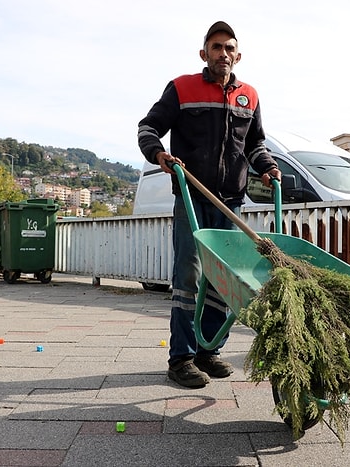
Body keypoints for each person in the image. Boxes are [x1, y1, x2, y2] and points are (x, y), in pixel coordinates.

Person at [137, 21, 281, 388]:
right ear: (205, 54)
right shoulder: (182, 88)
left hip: (230, 202)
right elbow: (147, 128)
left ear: (238, 55)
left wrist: (267, 168)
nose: (223, 54)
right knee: (189, 275)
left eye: (229, 48)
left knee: (224, 279)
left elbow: (256, 145)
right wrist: (159, 154)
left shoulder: (249, 95)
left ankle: (208, 351)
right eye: (216, 47)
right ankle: (181, 358)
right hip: (191, 197)